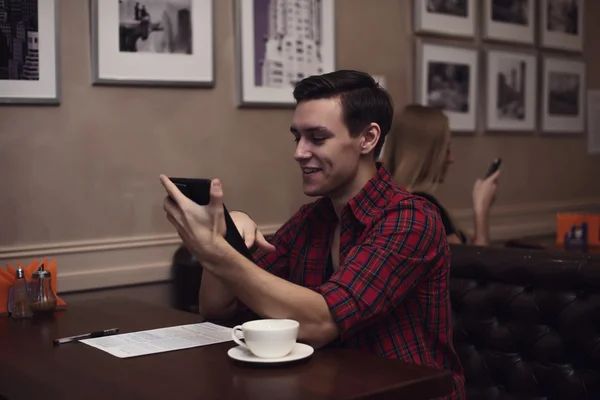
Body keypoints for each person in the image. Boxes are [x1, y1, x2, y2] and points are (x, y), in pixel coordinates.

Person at [160, 70, 465, 399]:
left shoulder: (412, 219)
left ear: (368, 138)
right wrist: (226, 232)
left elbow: (320, 323)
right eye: (298, 137)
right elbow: (218, 308)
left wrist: (215, 251)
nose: (299, 152)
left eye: (317, 138)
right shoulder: (312, 219)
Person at [381, 104, 501, 245]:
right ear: (427, 155)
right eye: (446, 149)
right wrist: (481, 210)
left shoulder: (382, 198)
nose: (451, 159)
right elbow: (474, 265)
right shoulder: (423, 209)